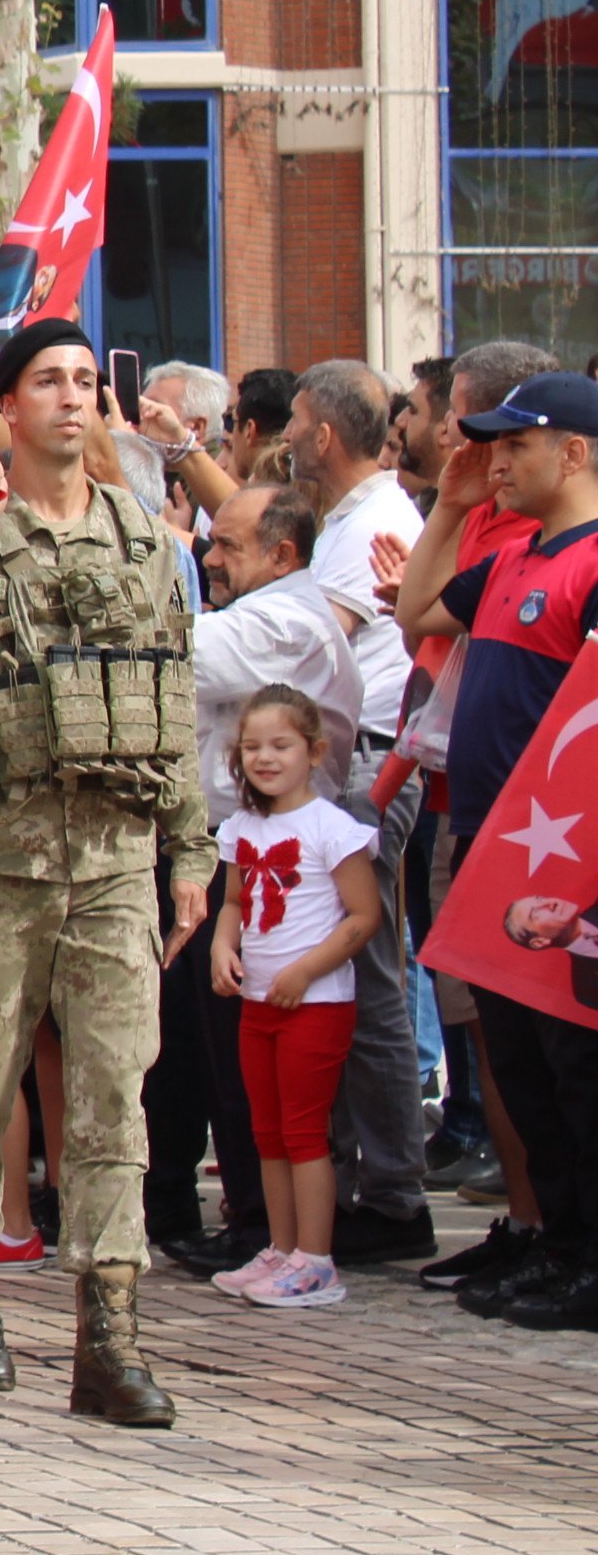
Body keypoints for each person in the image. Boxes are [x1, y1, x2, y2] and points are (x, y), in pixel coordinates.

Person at [0, 320, 210, 1426]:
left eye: (86, 381)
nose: (72, 400)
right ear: (9, 406)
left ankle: (109, 1335)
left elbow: (172, 695)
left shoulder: (143, 538)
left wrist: (191, 847)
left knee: (113, 1099)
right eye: (48, 383)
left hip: (117, 857)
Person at [389, 365, 598, 1331]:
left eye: (515, 445)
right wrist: (451, 507)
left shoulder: (593, 562)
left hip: (560, 859)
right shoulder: (515, 557)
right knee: (516, 1061)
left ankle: (587, 1252)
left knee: (571, 1066)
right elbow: (418, 612)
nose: (496, 459)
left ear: (575, 453)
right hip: (487, 838)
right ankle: (559, 1245)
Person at [156, 481, 358, 1277]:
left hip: (289, 892)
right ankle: (235, 1220)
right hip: (220, 849)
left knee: (257, 1077)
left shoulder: (291, 619)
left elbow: (181, 652)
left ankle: (275, 1236)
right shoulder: (256, 612)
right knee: (201, 1051)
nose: (209, 555)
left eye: (228, 544)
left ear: (284, 553)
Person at [283, 358, 435, 1267]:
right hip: (350, 771)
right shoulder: (356, 519)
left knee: (366, 979)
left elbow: (311, 639)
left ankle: (394, 1192)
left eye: (296, 421)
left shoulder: (374, 519)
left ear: (327, 435)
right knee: (340, 976)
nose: (287, 436)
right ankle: (351, 1177)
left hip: (367, 774)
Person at [205, 685, 383, 1309]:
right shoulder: (240, 827)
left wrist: (306, 972)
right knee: (268, 1130)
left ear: (314, 751)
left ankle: (317, 1258)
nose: (265, 757)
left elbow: (363, 917)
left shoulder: (334, 829)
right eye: (252, 746)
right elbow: (232, 902)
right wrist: (222, 948)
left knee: (305, 1131)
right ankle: (281, 1249)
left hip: (316, 1005)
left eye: (281, 745)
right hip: (258, 1003)